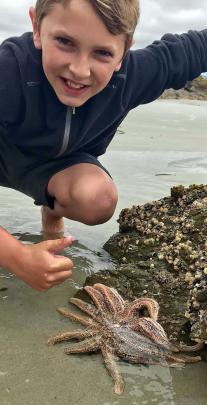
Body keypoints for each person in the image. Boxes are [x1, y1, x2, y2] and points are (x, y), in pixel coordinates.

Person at [0, 0, 207, 292]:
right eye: (65, 41)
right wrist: (16, 255)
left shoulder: (131, 77)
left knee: (98, 200)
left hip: (55, 168)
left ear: (124, 51)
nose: (79, 70)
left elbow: (195, 48)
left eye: (102, 52)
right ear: (36, 27)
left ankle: (52, 206)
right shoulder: (8, 71)